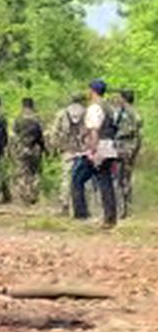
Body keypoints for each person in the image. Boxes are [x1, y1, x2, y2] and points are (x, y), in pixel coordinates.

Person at [72, 79, 118, 228]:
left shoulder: (94, 108)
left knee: (77, 178)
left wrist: (92, 150)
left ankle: (81, 213)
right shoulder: (110, 108)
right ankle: (110, 217)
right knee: (105, 181)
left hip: (99, 148)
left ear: (92, 90)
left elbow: (94, 130)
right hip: (110, 146)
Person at [51, 92, 86, 215]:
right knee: (83, 179)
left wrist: (56, 147)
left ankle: (65, 206)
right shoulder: (86, 112)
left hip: (67, 150)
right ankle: (81, 207)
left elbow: (54, 132)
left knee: (66, 177)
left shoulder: (62, 113)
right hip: (84, 150)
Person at [12, 97, 46, 205]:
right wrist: (45, 148)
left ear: (23, 105)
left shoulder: (18, 118)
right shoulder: (37, 118)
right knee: (35, 172)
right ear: (32, 105)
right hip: (35, 148)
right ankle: (33, 195)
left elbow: (14, 134)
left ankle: (24, 196)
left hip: (22, 148)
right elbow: (43, 135)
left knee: (22, 172)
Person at [114, 90, 142, 219]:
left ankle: (123, 208)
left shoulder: (124, 112)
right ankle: (126, 206)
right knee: (126, 176)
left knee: (120, 177)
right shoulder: (134, 111)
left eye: (119, 97)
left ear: (124, 98)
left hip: (124, 146)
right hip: (131, 147)